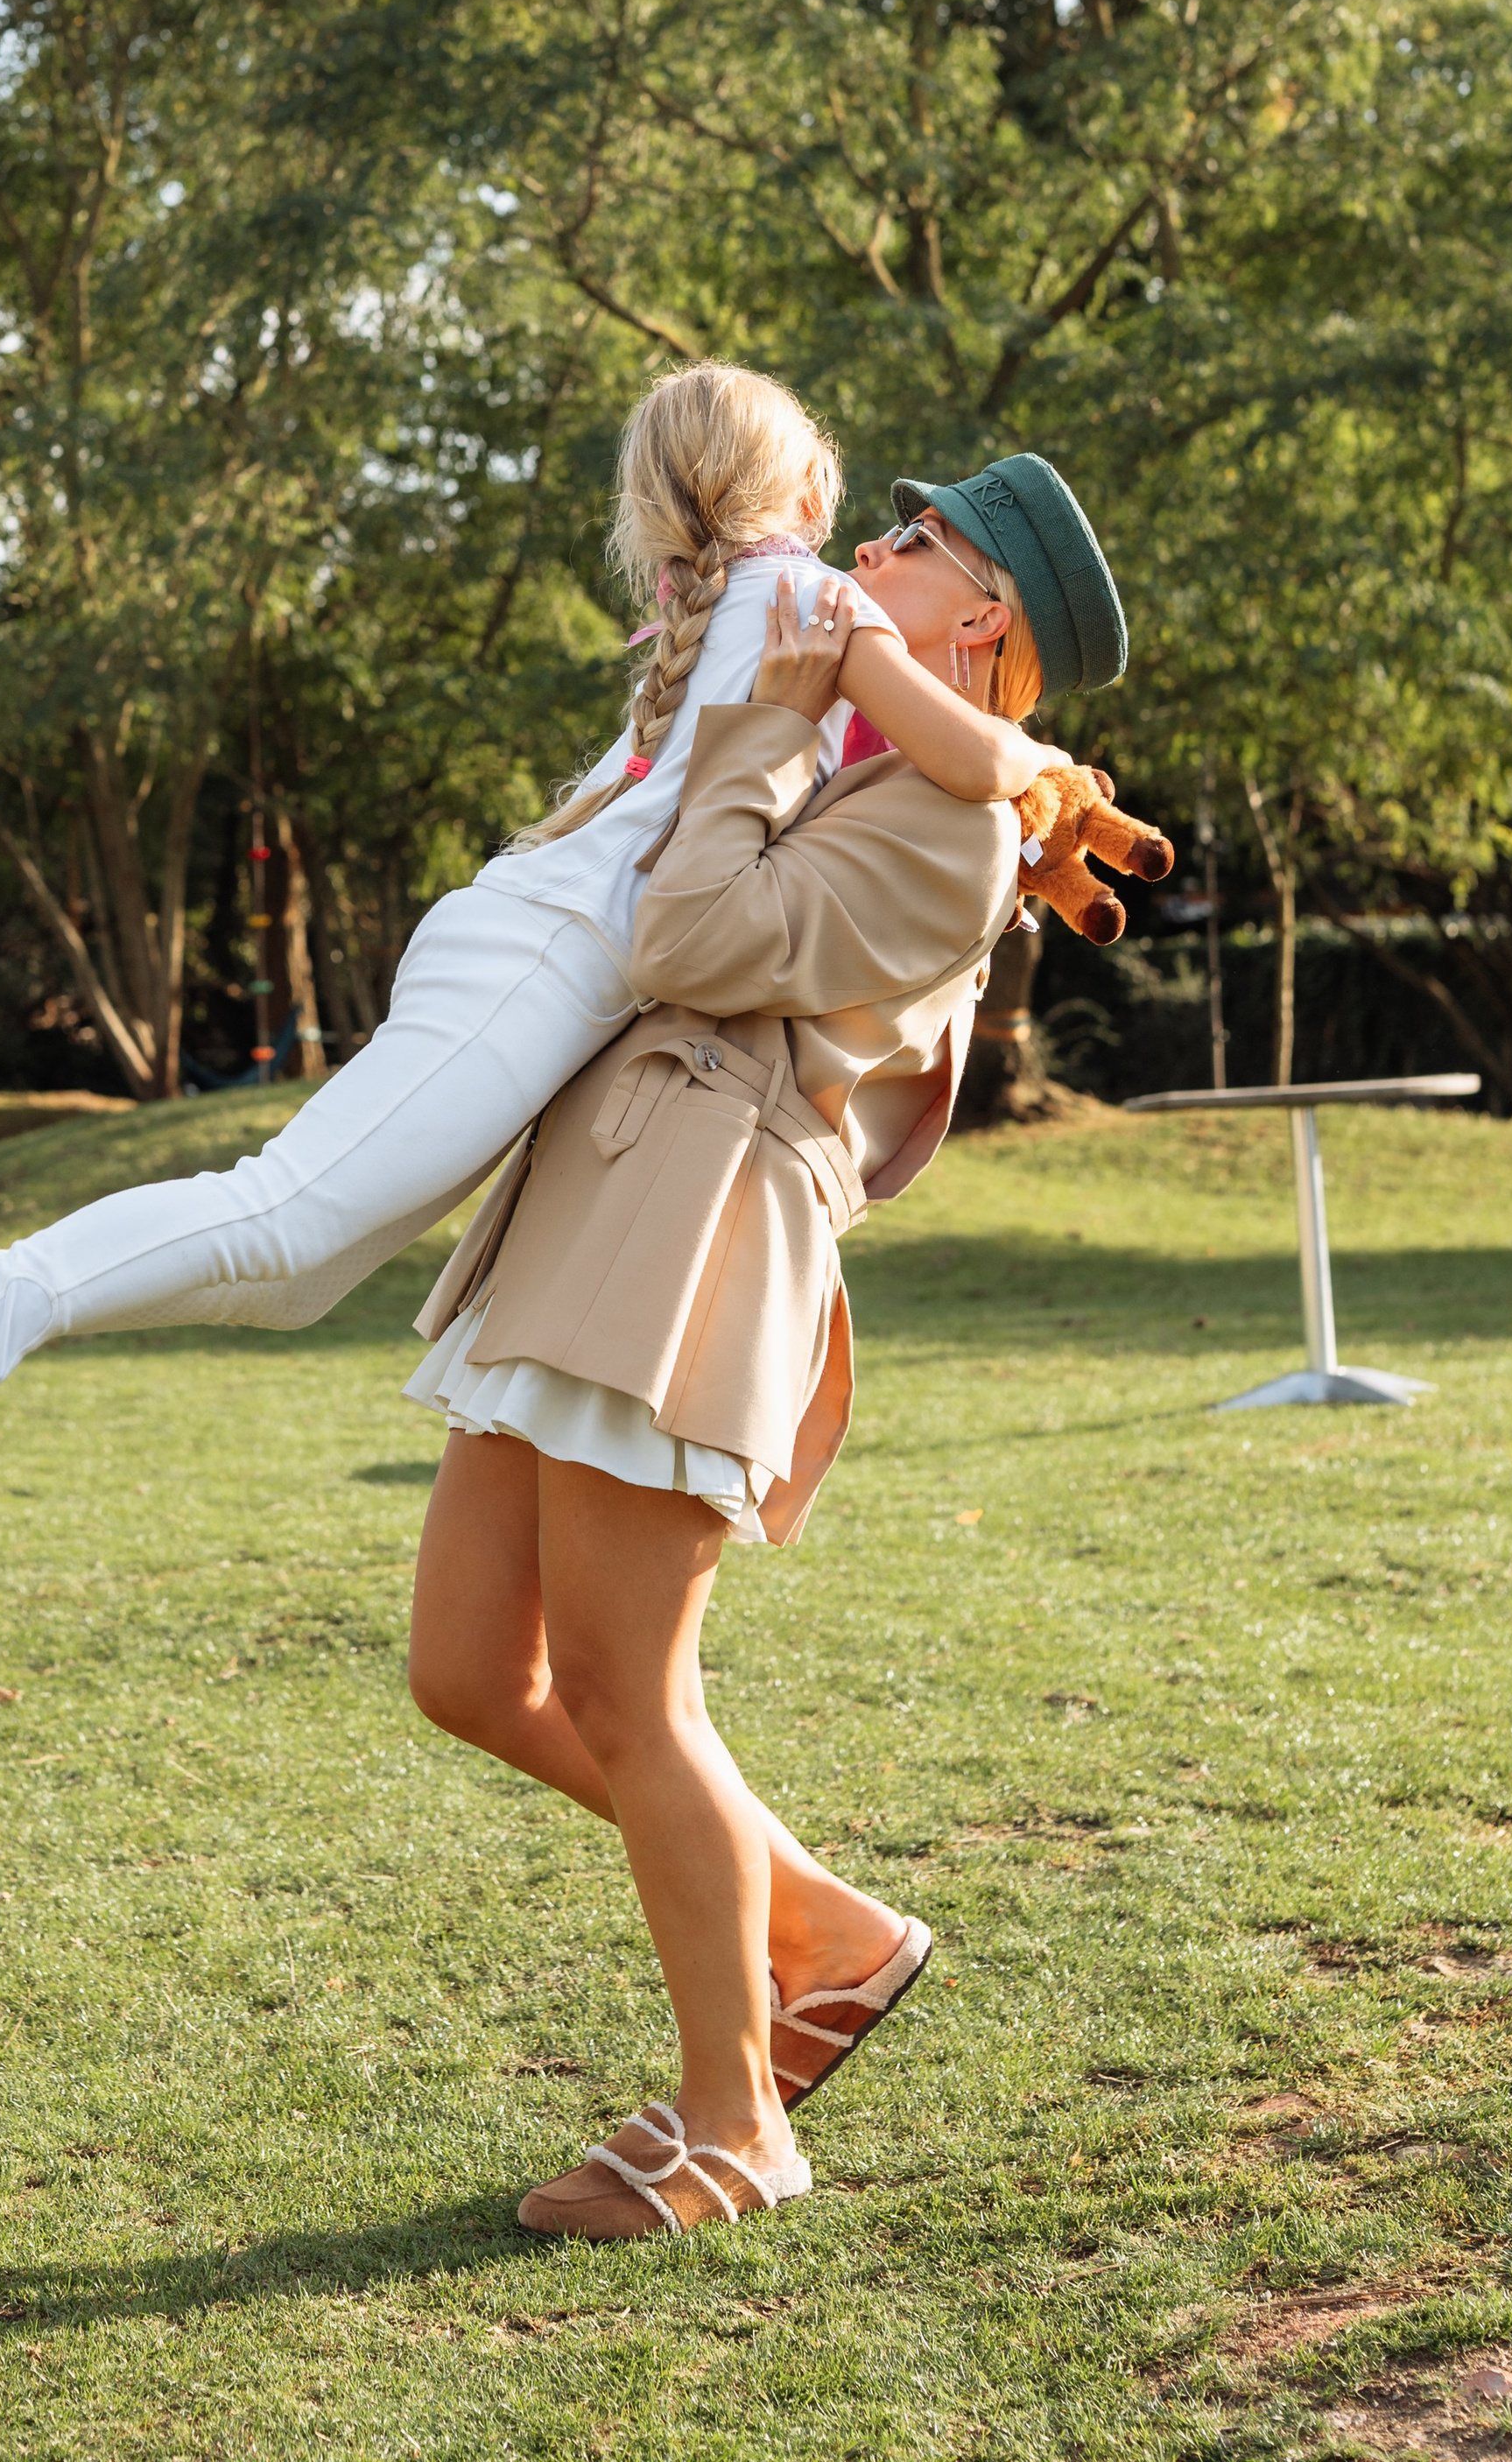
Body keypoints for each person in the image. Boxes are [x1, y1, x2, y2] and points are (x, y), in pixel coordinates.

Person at [0, 370, 1068, 1538]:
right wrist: (1049, 780)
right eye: (850, 501)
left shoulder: (742, 599)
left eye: (909, 537)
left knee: (296, 1274)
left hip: (531, 952)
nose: (866, 538)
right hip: (542, 960)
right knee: (281, 1220)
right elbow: (970, 754)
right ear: (787, 487)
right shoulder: (813, 598)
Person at [401, 455, 1131, 2240]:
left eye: (912, 542)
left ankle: (737, 2128)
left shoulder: (953, 824)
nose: (859, 553)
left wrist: (764, 730)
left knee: (632, 1701)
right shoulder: (879, 758)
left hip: (697, 1229)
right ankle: (821, 1930)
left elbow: (692, 936)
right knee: (462, 1670)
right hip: (610, 1202)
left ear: (980, 621)